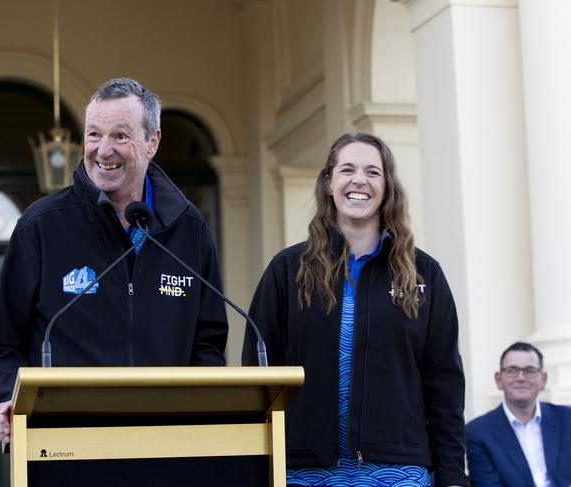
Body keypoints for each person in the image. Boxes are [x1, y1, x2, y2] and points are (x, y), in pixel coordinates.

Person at [0, 77, 228, 444]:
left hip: (166, 444)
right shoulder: (42, 225)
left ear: (152, 142)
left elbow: (209, 342)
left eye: (120, 136)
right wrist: (12, 398)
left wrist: (196, 416)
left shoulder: (189, 230)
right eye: (94, 135)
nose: (103, 150)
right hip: (64, 445)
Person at [242, 132, 468, 487]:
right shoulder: (287, 270)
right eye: (347, 169)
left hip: (399, 471)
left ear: (387, 187)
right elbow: (258, 376)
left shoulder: (425, 274)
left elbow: (445, 384)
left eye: (372, 172)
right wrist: (255, 465)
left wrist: (453, 474)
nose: (359, 180)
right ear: (329, 183)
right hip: (304, 470)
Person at [466, 342, 571, 487]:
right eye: (512, 370)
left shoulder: (567, 419)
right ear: (498, 379)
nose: (521, 378)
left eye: (530, 370)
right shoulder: (478, 433)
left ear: (544, 379)